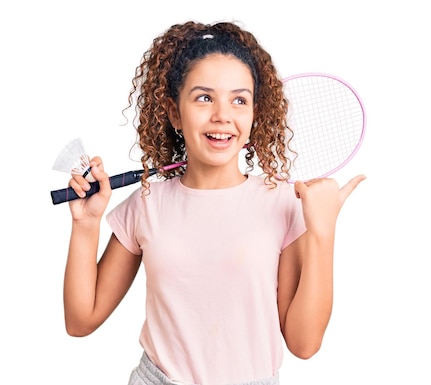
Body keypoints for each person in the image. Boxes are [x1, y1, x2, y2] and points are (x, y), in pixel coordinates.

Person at [62, 20, 365, 385]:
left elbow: (304, 344)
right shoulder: (145, 203)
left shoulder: (284, 204)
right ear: (174, 112)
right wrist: (85, 224)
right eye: (204, 97)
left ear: (255, 116)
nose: (223, 114)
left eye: (240, 100)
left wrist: (323, 232)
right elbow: (81, 321)